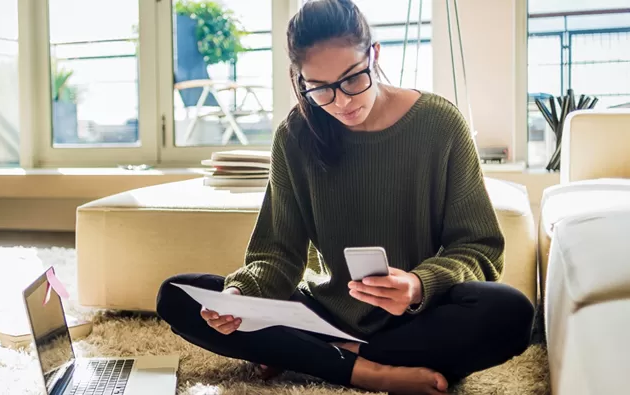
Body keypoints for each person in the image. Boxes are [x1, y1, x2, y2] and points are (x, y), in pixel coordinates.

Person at [156, 0, 535, 394]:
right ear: (300, 79)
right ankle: (368, 371)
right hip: (322, 313)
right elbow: (278, 255)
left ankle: (320, 355)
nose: (341, 101)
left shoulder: (441, 125)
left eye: (353, 79)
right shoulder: (295, 137)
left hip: (413, 316)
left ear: (374, 54)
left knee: (510, 312)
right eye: (319, 88)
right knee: (178, 295)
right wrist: (239, 296)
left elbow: (479, 247)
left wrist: (418, 285)